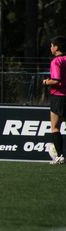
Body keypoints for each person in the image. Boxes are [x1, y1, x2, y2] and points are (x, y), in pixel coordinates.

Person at [43, 35, 66, 164]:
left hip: (59, 96)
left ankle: (59, 156)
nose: (50, 48)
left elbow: (56, 80)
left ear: (56, 47)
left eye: (52, 45)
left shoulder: (56, 61)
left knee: (55, 127)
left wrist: (46, 82)